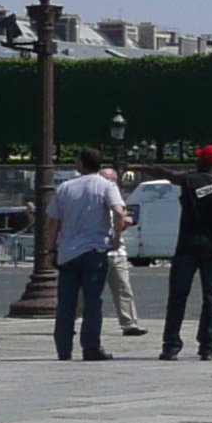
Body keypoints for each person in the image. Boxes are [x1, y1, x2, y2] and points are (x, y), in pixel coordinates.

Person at [161, 144, 212, 360]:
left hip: (187, 245)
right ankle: (208, 347)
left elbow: (168, 174)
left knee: (178, 297)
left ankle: (170, 346)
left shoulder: (190, 180)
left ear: (203, 162)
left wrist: (139, 166)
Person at [49, 149, 128, 361]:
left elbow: (53, 222)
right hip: (95, 249)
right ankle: (91, 347)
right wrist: (115, 237)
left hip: (68, 252)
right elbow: (119, 212)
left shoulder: (64, 188)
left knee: (66, 302)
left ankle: (64, 348)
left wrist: (51, 248)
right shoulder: (106, 186)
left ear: (81, 164)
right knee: (93, 301)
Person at [100, 167, 144, 336]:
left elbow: (120, 219)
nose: (105, 180)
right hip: (99, 249)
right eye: (102, 177)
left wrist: (124, 224)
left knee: (123, 289)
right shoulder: (96, 196)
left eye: (108, 178)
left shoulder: (118, 198)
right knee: (86, 290)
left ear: (115, 180)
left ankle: (129, 324)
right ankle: (72, 320)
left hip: (118, 252)